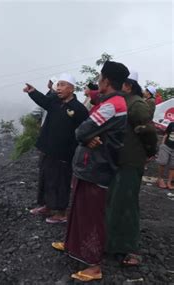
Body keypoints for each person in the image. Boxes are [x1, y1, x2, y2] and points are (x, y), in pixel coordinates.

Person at [51, 61, 129, 282]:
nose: (98, 80)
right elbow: (87, 131)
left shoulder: (113, 105)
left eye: (100, 76)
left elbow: (82, 129)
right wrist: (88, 136)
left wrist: (86, 136)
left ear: (106, 80)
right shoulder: (110, 102)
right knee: (78, 208)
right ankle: (72, 245)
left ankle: (94, 266)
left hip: (97, 167)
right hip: (89, 165)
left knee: (92, 215)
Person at [105, 70, 158, 267]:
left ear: (128, 86)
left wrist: (150, 151)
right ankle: (112, 243)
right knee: (114, 201)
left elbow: (149, 130)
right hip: (118, 159)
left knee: (126, 204)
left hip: (130, 160)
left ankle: (130, 249)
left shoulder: (136, 104)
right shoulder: (121, 102)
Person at [24, 73, 88, 224]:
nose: (58, 88)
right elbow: (43, 101)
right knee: (45, 178)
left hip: (64, 153)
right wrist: (32, 92)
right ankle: (47, 205)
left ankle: (60, 212)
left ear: (72, 88)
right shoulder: (54, 101)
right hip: (48, 148)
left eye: (63, 85)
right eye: (58, 85)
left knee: (60, 181)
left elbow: (85, 129)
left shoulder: (78, 109)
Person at [156, 121, 174, 189]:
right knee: (162, 162)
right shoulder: (172, 124)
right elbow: (166, 134)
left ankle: (169, 182)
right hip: (166, 146)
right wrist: (162, 145)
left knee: (173, 166)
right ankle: (160, 179)